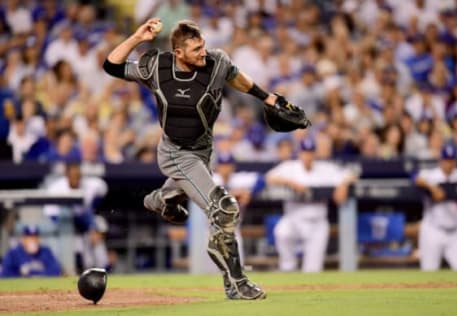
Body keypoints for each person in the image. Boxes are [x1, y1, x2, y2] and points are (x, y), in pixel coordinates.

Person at [103, 19, 304, 299]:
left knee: (209, 199)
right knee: (224, 208)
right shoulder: (157, 67)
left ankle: (162, 198)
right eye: (196, 48)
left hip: (203, 151)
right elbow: (111, 65)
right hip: (175, 153)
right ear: (178, 53)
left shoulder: (216, 63)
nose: (203, 52)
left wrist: (267, 98)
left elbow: (236, 77)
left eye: (203, 46)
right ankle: (236, 283)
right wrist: (137, 37)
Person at [265, 138, 356, 272]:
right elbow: (269, 177)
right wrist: (290, 182)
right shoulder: (290, 167)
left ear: (315, 153)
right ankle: (288, 265)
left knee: (312, 270)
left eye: (311, 152)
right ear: (300, 153)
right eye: (305, 152)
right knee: (282, 232)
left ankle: (308, 287)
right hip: (293, 218)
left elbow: (352, 174)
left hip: (317, 224)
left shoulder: (325, 168)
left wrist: (343, 184)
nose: (308, 155)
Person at [414, 142, 457, 271]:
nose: (449, 164)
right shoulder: (433, 175)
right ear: (441, 161)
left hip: (455, 233)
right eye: (446, 160)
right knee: (429, 272)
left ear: (456, 161)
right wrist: (432, 188)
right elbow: (415, 177)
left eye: (452, 160)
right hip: (433, 231)